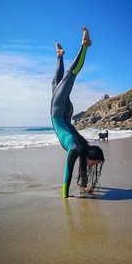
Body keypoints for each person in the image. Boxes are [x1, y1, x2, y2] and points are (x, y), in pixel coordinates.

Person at [51, 26, 104, 199]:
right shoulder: (77, 148)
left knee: (56, 82)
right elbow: (67, 174)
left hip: (63, 113)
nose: (92, 166)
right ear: (90, 156)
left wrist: (84, 187)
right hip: (59, 113)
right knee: (68, 77)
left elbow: (75, 170)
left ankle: (60, 55)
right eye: (94, 163)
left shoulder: (81, 150)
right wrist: (66, 198)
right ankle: (85, 45)